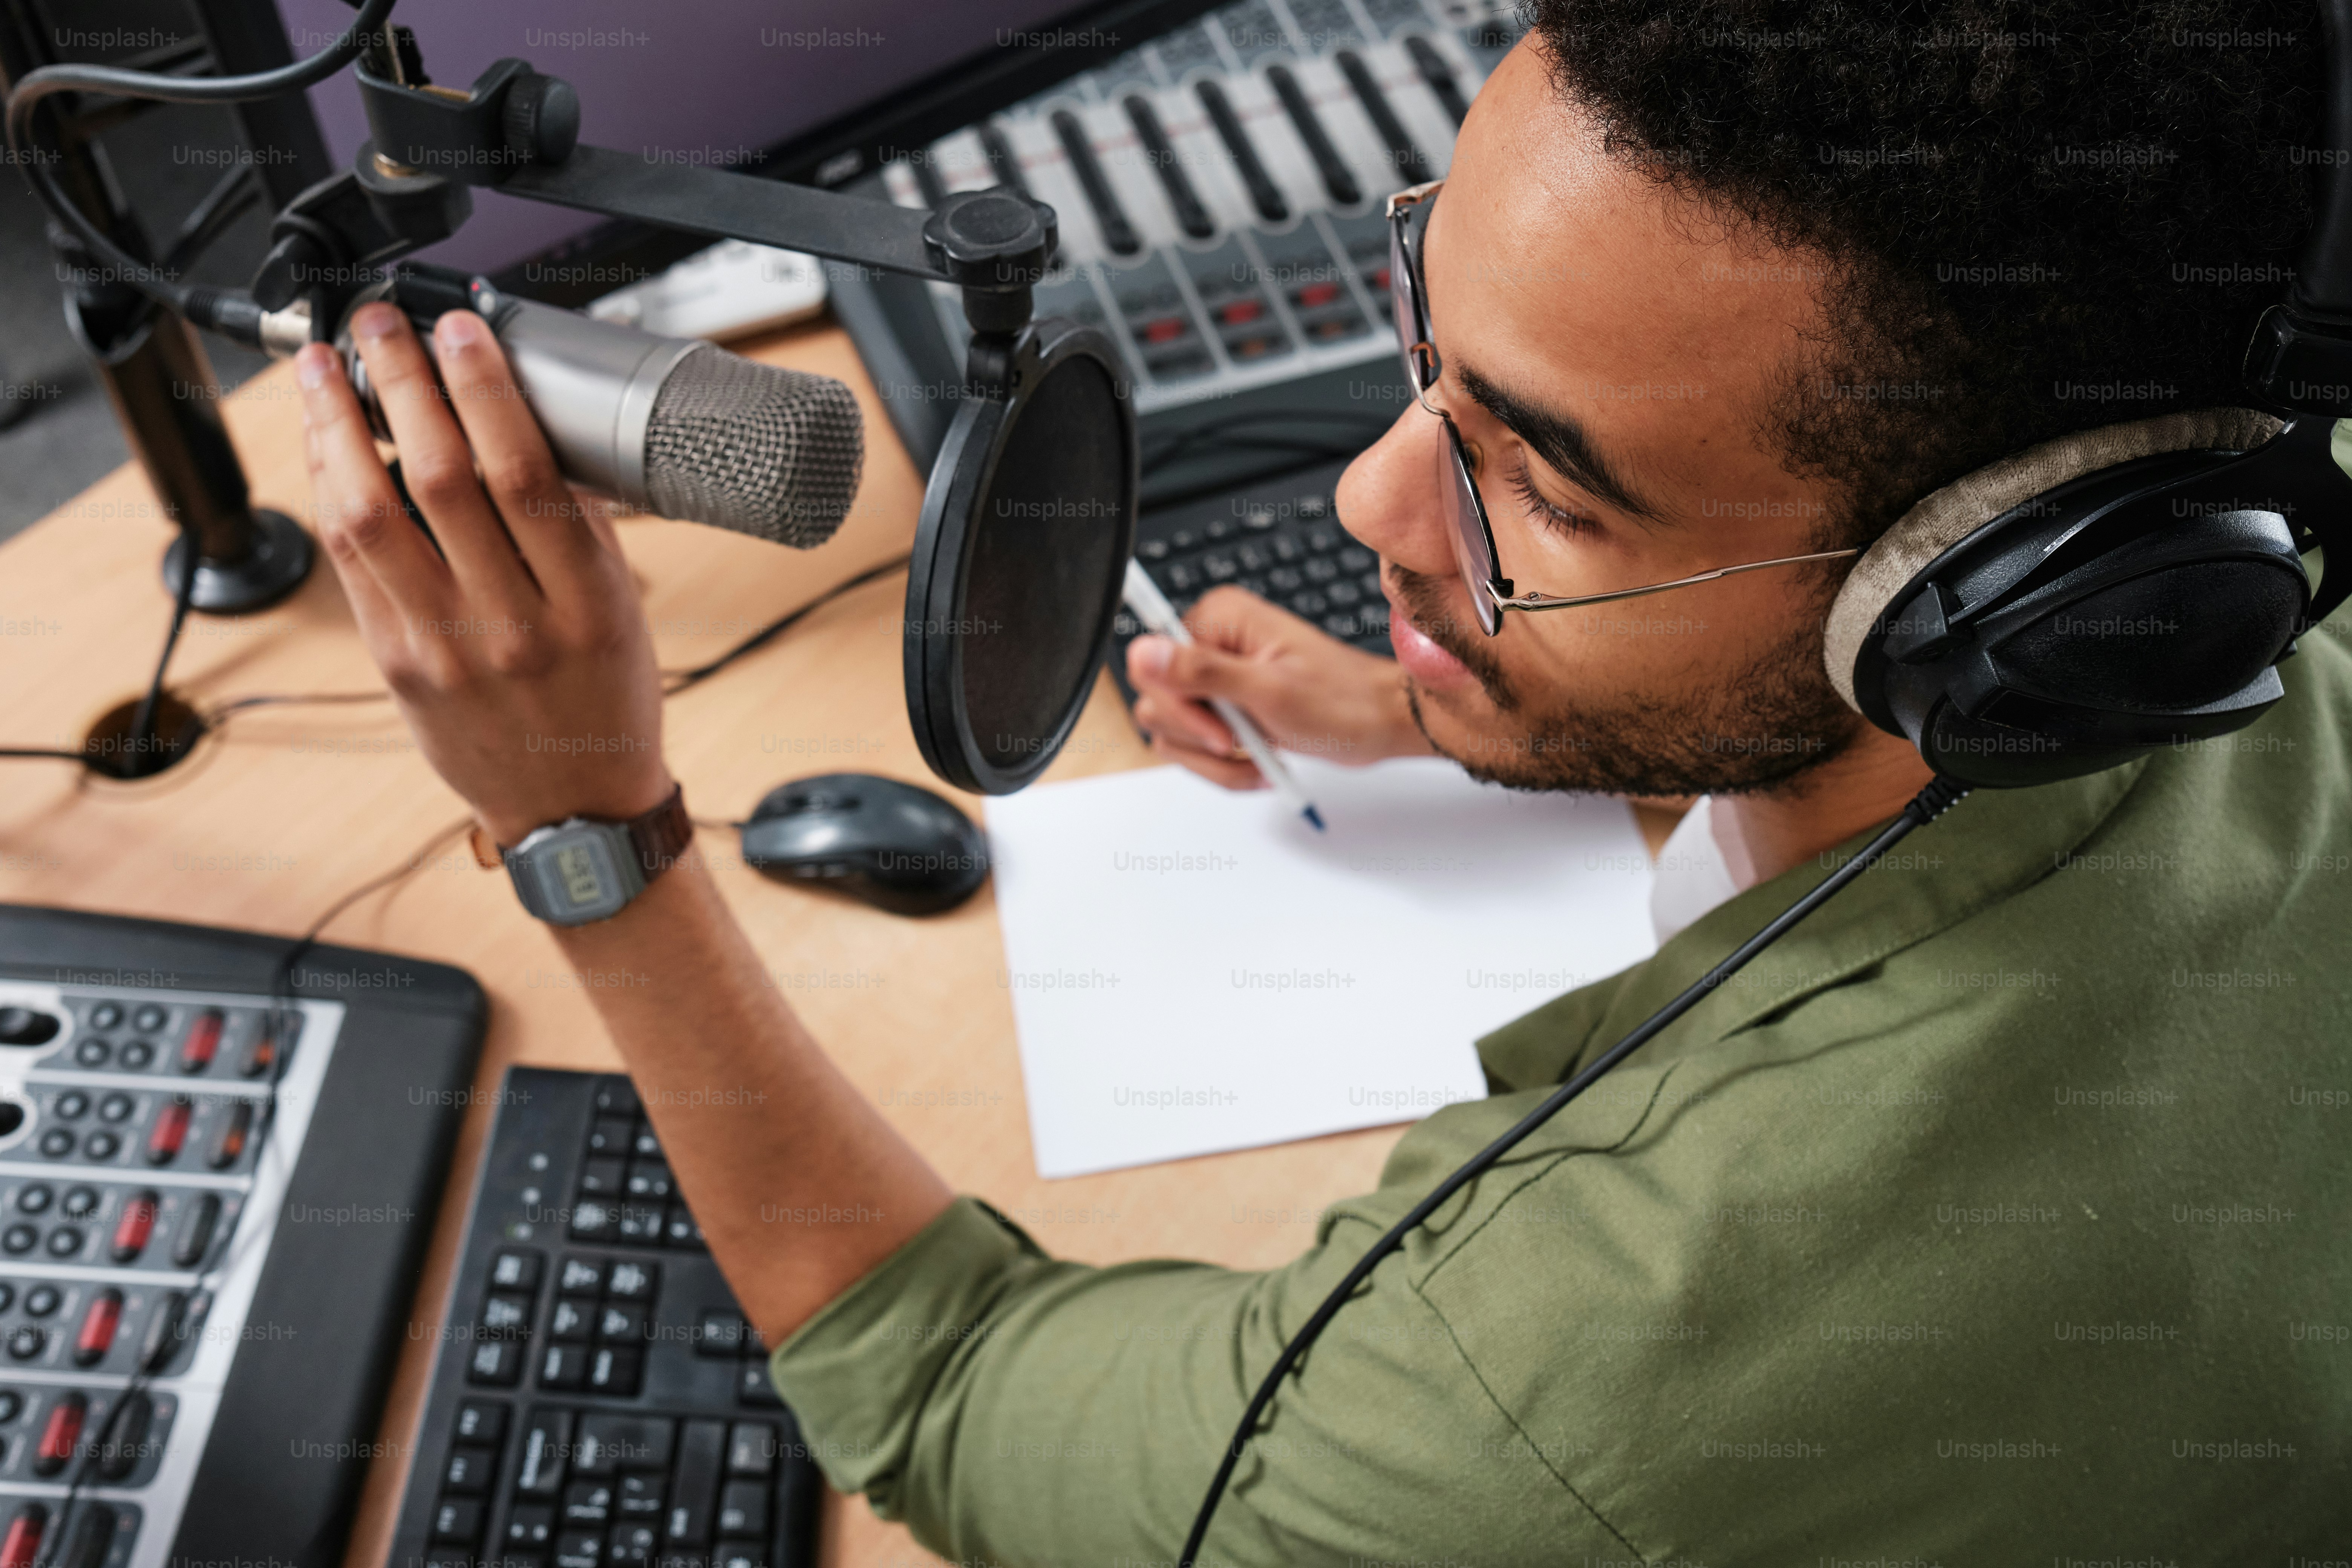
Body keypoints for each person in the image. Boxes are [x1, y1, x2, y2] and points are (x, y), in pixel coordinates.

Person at [295, 6, 2350, 1562]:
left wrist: (592, 824)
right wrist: (1442, 700)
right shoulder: (2240, 570)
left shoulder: (1543, 1412)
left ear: (2004, 600)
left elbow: (948, 1383)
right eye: (1426, 331)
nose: (1372, 499)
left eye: (1547, 490)